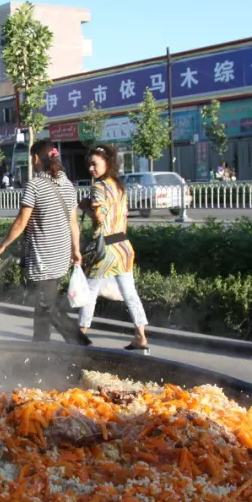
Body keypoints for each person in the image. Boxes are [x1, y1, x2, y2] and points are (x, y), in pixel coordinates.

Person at [0, 141, 89, 346]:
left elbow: (21, 222)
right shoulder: (67, 184)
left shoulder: (35, 185)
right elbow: (73, 223)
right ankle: (39, 347)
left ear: (36, 158)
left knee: (48, 306)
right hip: (61, 255)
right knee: (43, 304)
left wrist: (3, 244)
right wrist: (76, 250)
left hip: (44, 256)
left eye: (31, 158)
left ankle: (81, 345)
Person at [76, 145, 150, 352]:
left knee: (89, 291)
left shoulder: (99, 187)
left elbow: (100, 218)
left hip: (105, 247)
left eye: (94, 164)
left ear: (107, 163)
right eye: (89, 164)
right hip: (124, 246)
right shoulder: (119, 186)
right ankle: (140, 336)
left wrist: (85, 208)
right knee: (130, 293)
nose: (91, 168)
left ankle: (80, 334)